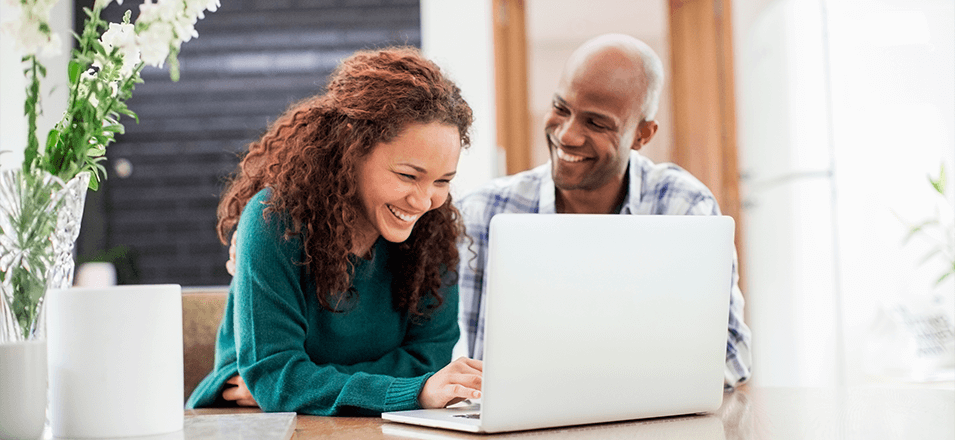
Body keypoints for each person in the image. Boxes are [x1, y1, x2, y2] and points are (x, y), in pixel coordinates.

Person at [186, 47, 483, 415]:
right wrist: (407, 389)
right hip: (248, 422)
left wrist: (303, 383)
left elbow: (429, 363)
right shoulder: (274, 221)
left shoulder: (432, 236)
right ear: (352, 149)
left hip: (373, 425)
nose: (424, 201)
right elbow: (276, 375)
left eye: (443, 180)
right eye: (408, 175)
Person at [455, 34, 752, 389]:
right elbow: (454, 362)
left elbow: (732, 359)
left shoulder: (684, 209)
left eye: (596, 123)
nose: (567, 135)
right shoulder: (479, 214)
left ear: (642, 134)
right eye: (561, 109)